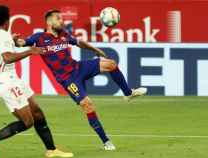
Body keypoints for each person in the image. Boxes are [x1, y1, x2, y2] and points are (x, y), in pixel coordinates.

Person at [16, 9, 147, 151]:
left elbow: (79, 43)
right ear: (49, 21)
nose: (62, 21)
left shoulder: (64, 35)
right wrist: (15, 40)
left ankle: (128, 93)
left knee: (111, 64)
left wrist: (95, 49)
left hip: (78, 67)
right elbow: (22, 42)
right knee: (87, 104)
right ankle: (106, 141)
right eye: (58, 18)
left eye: (61, 19)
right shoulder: (39, 37)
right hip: (68, 79)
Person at [0, 5, 73, 158]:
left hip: (13, 79)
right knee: (27, 122)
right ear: (7, 20)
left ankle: (51, 150)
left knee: (38, 113)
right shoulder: (3, 36)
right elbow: (7, 57)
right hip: (7, 83)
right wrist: (29, 51)